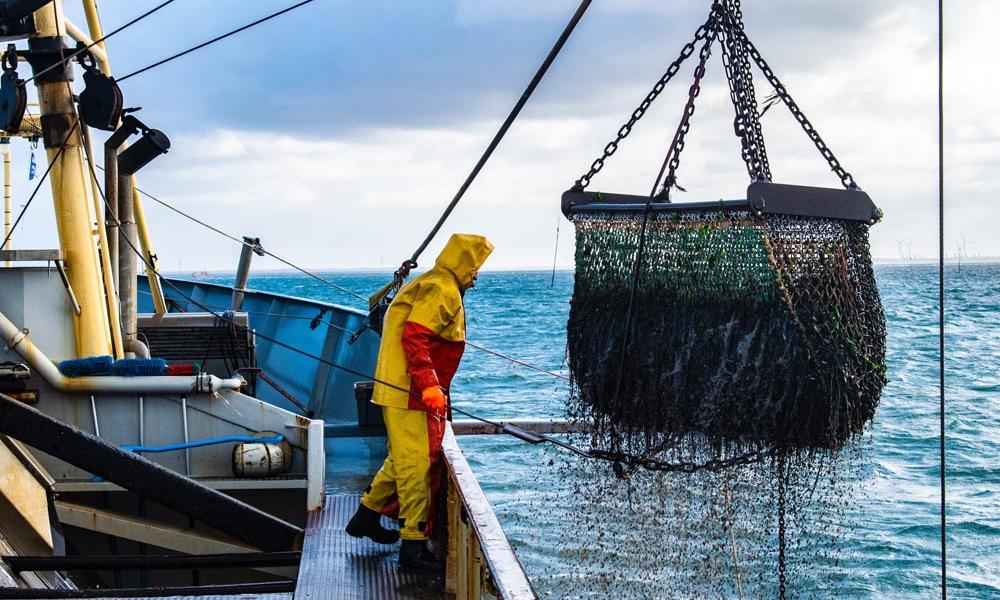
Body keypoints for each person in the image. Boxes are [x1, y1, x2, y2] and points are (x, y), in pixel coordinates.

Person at [346, 233, 494, 571]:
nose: (476, 276)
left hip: (399, 388)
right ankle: (413, 545)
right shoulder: (442, 290)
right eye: (474, 268)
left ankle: (367, 515)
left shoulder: (434, 282)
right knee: (416, 465)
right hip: (409, 392)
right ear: (463, 264)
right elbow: (414, 337)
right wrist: (429, 385)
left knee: (402, 458)